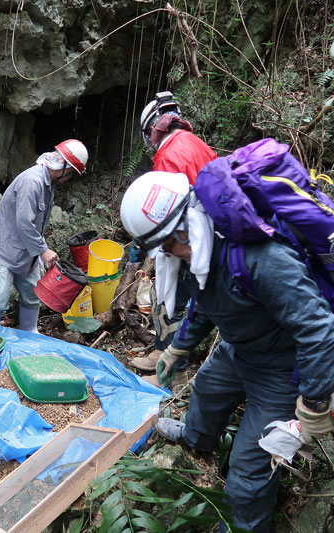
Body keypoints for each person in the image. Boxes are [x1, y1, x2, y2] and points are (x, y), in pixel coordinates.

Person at [120, 171, 334, 532]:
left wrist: (315, 401)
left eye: (164, 245)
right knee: (207, 391)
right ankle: (197, 438)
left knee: (247, 474)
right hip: (238, 349)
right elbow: (207, 303)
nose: (164, 254)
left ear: (182, 229)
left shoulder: (263, 259)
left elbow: (319, 330)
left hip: (280, 371)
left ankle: (245, 525)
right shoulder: (202, 254)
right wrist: (179, 347)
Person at [130, 91, 217, 375]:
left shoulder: (167, 156)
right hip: (211, 234)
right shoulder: (198, 143)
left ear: (152, 129)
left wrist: (150, 246)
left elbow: (160, 210)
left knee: (169, 300)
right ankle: (170, 358)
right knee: (197, 299)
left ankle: (169, 366)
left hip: (184, 238)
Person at [0, 140, 88, 333]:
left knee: (32, 293)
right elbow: (24, 222)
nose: (69, 179)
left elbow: (37, 224)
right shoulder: (33, 181)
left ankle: (30, 333)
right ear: (64, 167)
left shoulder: (49, 184)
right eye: (72, 174)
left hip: (26, 250)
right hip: (4, 248)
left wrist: (41, 252)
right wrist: (43, 250)